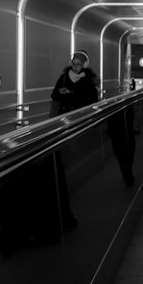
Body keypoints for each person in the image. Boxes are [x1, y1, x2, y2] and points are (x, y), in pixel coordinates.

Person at [48, 50, 99, 231]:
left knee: (73, 151)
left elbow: (92, 100)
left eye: (78, 64)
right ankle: (66, 182)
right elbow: (55, 96)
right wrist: (66, 93)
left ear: (83, 65)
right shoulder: (63, 78)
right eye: (74, 63)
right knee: (63, 151)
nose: (75, 66)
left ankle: (72, 180)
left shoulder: (87, 81)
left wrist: (70, 94)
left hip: (79, 121)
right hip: (63, 120)